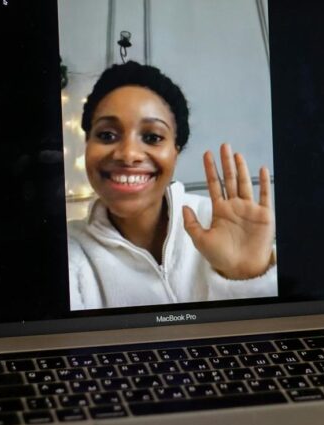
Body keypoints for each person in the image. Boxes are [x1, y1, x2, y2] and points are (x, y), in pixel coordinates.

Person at [68, 61, 278, 310]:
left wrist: (246, 276)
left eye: (152, 137)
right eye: (107, 135)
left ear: (176, 151)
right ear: (87, 144)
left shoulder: (228, 224)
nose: (128, 154)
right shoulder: (70, 250)